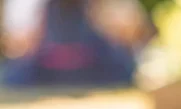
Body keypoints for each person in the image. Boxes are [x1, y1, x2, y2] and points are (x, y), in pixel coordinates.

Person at [3, 0, 140, 87]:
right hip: (45, 71)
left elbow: (133, 33)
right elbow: (14, 46)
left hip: (97, 68)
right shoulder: (28, 5)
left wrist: (103, 16)